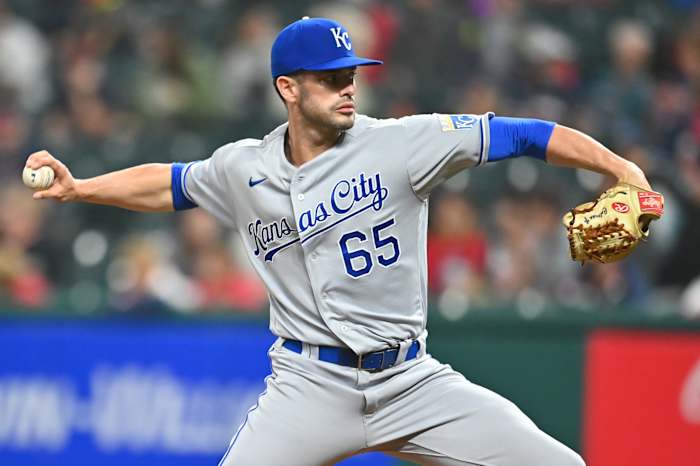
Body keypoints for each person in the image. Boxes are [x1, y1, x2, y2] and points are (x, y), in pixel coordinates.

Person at [25, 16, 653, 466]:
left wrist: (620, 170)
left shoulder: (403, 142)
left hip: (411, 382)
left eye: (349, 73)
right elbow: (168, 183)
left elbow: (523, 133)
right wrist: (81, 189)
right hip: (308, 386)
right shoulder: (244, 167)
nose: (347, 86)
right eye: (328, 78)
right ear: (288, 89)